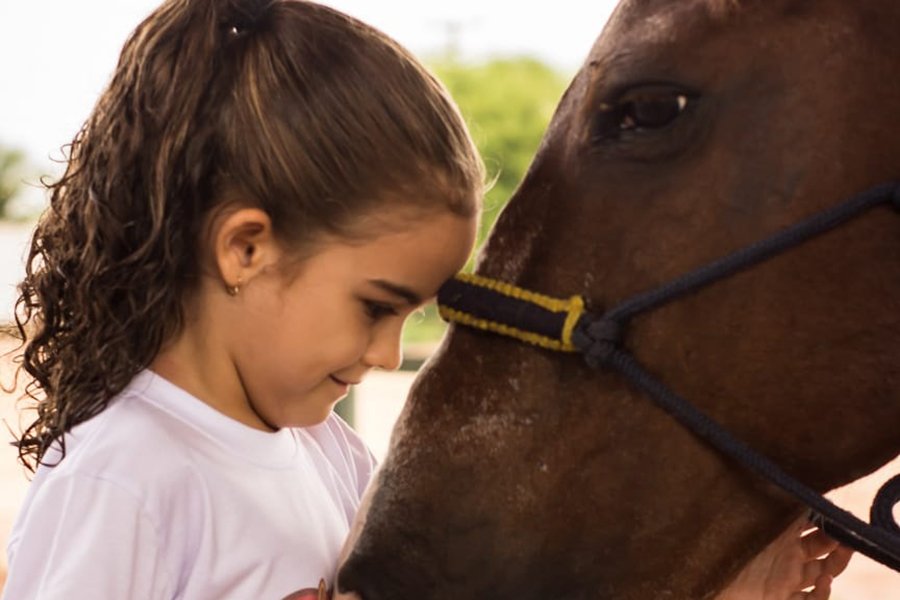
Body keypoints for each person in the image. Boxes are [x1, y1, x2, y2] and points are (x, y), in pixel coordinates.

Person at [0, 1, 849, 598]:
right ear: (246, 248)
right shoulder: (125, 475)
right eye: (377, 305)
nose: (384, 355)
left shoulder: (330, 457)